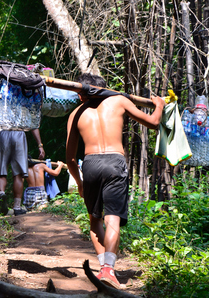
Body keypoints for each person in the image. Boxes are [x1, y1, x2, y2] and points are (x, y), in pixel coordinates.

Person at [66, 73, 165, 289]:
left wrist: (80, 182)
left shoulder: (75, 113)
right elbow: (155, 123)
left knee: (95, 220)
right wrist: (159, 104)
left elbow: (71, 159)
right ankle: (108, 270)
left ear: (82, 94)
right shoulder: (119, 100)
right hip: (114, 162)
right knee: (113, 217)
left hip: (90, 164)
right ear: (104, 89)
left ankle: (105, 269)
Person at [0, 129, 45, 216]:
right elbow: (34, 125)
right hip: (19, 134)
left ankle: (1, 194)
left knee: (1, 172)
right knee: (18, 174)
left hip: (2, 134)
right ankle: (17, 207)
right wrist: (40, 145)